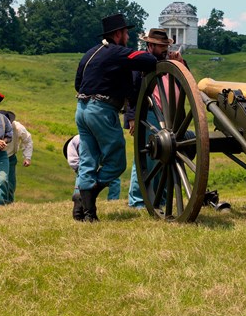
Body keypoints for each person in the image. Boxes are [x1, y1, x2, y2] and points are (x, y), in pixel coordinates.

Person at [73, 14, 158, 222]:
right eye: (126, 33)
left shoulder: (90, 53)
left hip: (81, 109)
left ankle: (85, 209)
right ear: (118, 34)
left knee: (88, 159)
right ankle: (91, 192)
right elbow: (148, 60)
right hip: (101, 110)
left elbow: (78, 82)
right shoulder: (116, 52)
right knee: (117, 162)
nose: (128, 37)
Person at [124, 28, 186, 209]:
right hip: (149, 112)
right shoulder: (141, 62)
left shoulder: (172, 61)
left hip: (170, 117)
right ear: (150, 45)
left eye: (166, 45)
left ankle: (161, 199)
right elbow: (133, 91)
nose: (164, 49)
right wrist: (132, 118)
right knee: (147, 157)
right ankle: (138, 200)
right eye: (160, 46)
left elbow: (187, 83)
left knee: (164, 158)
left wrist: (180, 63)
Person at [63, 134, 121, 207]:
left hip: (96, 151)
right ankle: (113, 201)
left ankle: (80, 201)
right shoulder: (77, 143)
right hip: (100, 150)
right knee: (113, 178)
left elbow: (73, 162)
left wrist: (81, 170)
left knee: (81, 178)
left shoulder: (72, 145)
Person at [0, 110, 33, 203]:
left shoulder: (18, 127)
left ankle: (8, 203)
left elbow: (28, 140)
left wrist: (27, 157)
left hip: (9, 157)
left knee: (10, 183)